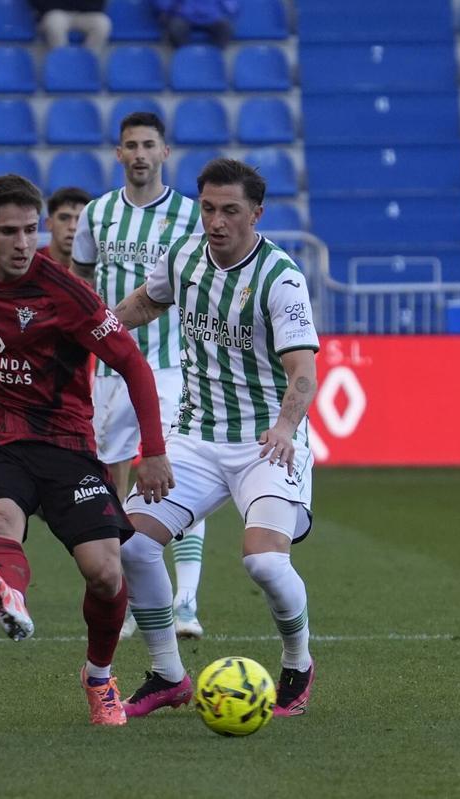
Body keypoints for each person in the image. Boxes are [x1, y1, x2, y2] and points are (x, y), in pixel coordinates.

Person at [0, 174, 174, 727]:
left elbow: (132, 363)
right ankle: (9, 595)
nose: (22, 243)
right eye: (8, 231)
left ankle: (99, 677)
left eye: (31, 230)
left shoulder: (68, 295)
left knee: (106, 572)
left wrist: (151, 450)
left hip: (66, 445)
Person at [112, 158, 319, 718]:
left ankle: (298, 663)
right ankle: (167, 674)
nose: (217, 222)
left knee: (266, 565)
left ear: (256, 212)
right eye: (208, 209)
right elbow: (147, 302)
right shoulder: (182, 257)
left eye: (230, 210)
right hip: (197, 436)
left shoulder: (282, 277)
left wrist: (284, 426)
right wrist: (100, 328)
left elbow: (303, 369)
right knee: (131, 545)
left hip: (266, 443)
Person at [71, 111, 207, 641]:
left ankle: (187, 601)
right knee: (110, 479)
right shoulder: (98, 214)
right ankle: (127, 599)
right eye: (131, 145)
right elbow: (80, 277)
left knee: (181, 475)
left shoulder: (191, 215)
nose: (141, 153)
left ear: (165, 153)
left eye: (150, 144)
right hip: (110, 371)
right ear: (119, 154)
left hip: (173, 365)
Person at [39, 186, 91, 269]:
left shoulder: (100, 269)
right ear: (49, 223)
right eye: (64, 218)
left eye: (80, 219)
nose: (72, 226)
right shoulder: (30, 264)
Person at [151, 0, 238, 48]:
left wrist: (221, 10)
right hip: (183, 16)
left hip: (211, 16)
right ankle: (185, 57)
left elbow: (232, 7)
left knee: (225, 27)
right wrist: (170, 7)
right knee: (176, 27)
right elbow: (162, 4)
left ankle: (212, 58)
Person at [29, 0, 112, 50]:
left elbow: (97, 5)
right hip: (55, 13)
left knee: (102, 23)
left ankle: (86, 61)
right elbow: (40, 3)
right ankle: (62, 60)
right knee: (55, 21)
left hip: (85, 14)